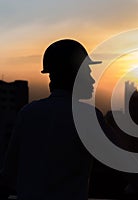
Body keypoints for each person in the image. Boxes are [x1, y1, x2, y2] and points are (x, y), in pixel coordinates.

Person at [0, 39, 102, 200]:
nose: (92, 80)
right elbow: (123, 162)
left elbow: (7, 175)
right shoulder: (88, 116)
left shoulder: (27, 113)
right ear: (75, 74)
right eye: (87, 72)